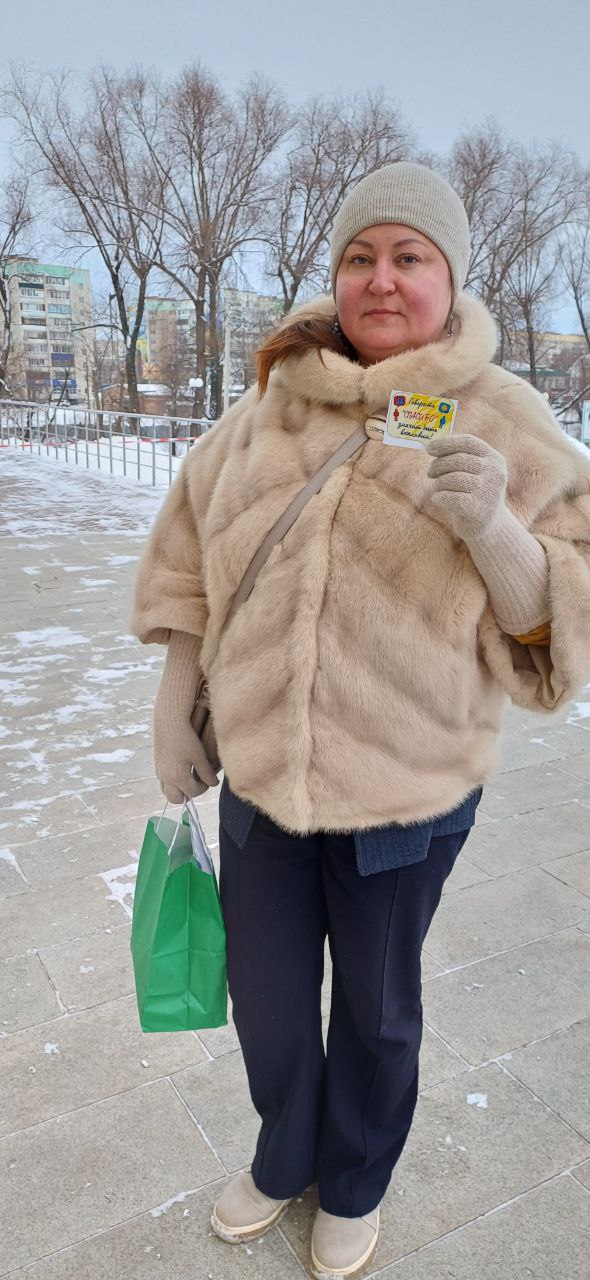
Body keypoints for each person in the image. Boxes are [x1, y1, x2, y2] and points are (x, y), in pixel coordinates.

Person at [131, 163, 590, 1280]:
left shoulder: (506, 418)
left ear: (450, 276)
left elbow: (561, 612)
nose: (381, 279)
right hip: (259, 776)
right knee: (269, 1002)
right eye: (359, 257)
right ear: (335, 274)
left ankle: (354, 1179)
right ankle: (283, 1153)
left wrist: (499, 534)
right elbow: (191, 544)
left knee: (377, 1013)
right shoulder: (272, 403)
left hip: (406, 793)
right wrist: (175, 700)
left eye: (409, 257)